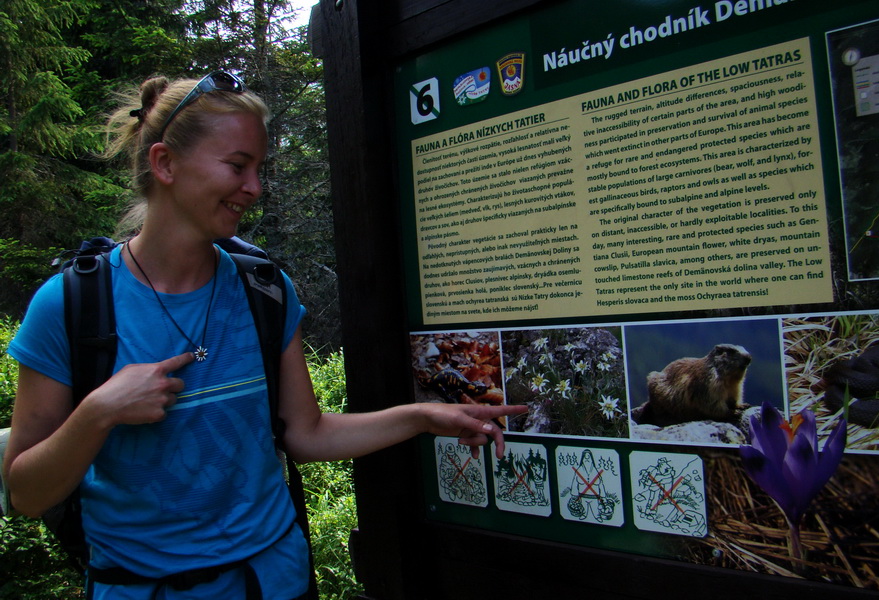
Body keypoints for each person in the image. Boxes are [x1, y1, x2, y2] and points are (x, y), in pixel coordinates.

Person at [1, 71, 526, 599]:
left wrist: (421, 416)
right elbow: (25, 491)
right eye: (237, 166)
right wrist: (100, 411)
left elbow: (306, 433)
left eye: (260, 169)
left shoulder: (263, 292)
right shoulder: (71, 306)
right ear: (164, 163)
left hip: (273, 583)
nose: (254, 188)